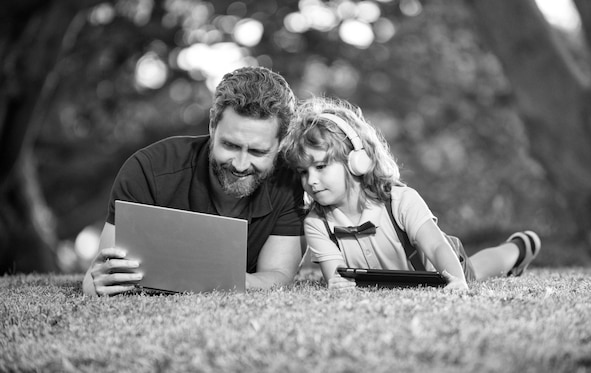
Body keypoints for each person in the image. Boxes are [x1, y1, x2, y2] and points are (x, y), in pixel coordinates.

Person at [83, 66, 305, 296]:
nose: (240, 164)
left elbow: (278, 274)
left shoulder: (288, 183)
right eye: (230, 145)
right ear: (212, 125)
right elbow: (100, 277)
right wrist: (96, 283)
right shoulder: (148, 170)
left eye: (257, 152)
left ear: (281, 144)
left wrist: (215, 281)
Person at [281, 97, 541, 290]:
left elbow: (436, 246)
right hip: (397, 277)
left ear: (356, 161)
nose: (311, 181)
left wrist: (457, 281)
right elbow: (335, 276)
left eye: (321, 166)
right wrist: (338, 287)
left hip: (439, 264)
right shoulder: (316, 223)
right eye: (303, 172)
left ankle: (517, 248)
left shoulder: (399, 201)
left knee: (478, 270)